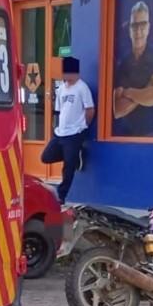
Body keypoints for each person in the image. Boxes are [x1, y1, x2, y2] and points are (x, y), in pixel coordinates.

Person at [41, 56, 94, 204]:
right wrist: (57, 127)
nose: (66, 75)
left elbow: (90, 109)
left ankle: (61, 196)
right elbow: (59, 110)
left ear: (75, 72)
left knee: (68, 167)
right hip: (61, 132)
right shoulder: (62, 89)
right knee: (46, 157)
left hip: (75, 132)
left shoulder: (82, 88)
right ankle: (75, 155)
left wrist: (83, 126)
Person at [113, 1, 153, 136]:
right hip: (124, 135)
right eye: (135, 25)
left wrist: (128, 92)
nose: (139, 31)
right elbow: (117, 109)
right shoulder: (123, 61)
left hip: (151, 134)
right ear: (129, 29)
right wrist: (144, 90)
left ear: (148, 28)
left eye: (143, 25)